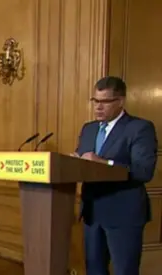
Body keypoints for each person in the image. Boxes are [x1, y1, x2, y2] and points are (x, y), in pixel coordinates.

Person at [72, 76, 157, 275]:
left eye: (105, 102)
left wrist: (105, 163)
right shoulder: (89, 129)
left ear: (120, 101)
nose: (98, 107)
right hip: (93, 212)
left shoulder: (140, 128)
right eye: (95, 101)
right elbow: (83, 160)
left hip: (123, 214)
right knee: (94, 270)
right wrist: (73, 160)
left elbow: (144, 170)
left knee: (124, 271)